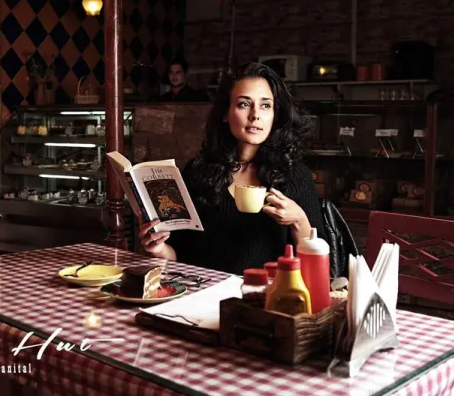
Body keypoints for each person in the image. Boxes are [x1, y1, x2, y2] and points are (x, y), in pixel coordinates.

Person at [138, 62, 325, 275]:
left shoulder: (294, 174)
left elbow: (320, 265)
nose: (255, 115)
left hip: (265, 293)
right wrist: (158, 248)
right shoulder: (198, 172)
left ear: (275, 115)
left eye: (265, 105)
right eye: (244, 104)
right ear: (225, 113)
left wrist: (299, 219)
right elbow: (180, 254)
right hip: (202, 290)